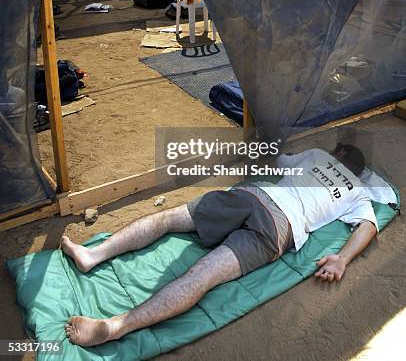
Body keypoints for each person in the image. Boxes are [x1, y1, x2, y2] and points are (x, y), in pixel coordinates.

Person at [62, 144, 378, 347]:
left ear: (337, 154)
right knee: (203, 275)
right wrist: (342, 259)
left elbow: (279, 158)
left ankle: (93, 254)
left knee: (171, 218)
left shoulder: (317, 155)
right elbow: (367, 226)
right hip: (280, 228)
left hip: (255, 195)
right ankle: (116, 326)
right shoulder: (359, 192)